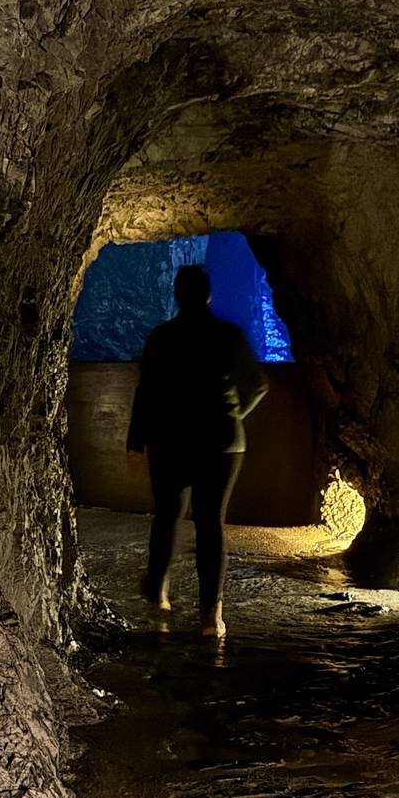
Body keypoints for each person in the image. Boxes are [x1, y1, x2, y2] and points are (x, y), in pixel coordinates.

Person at [125, 264, 269, 635]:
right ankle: (210, 616)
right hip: (221, 443)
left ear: (177, 295)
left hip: (171, 440)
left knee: (167, 515)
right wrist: (233, 413)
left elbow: (147, 393)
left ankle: (158, 591)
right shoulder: (228, 335)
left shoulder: (162, 338)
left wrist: (135, 442)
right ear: (208, 295)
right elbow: (257, 384)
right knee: (210, 523)